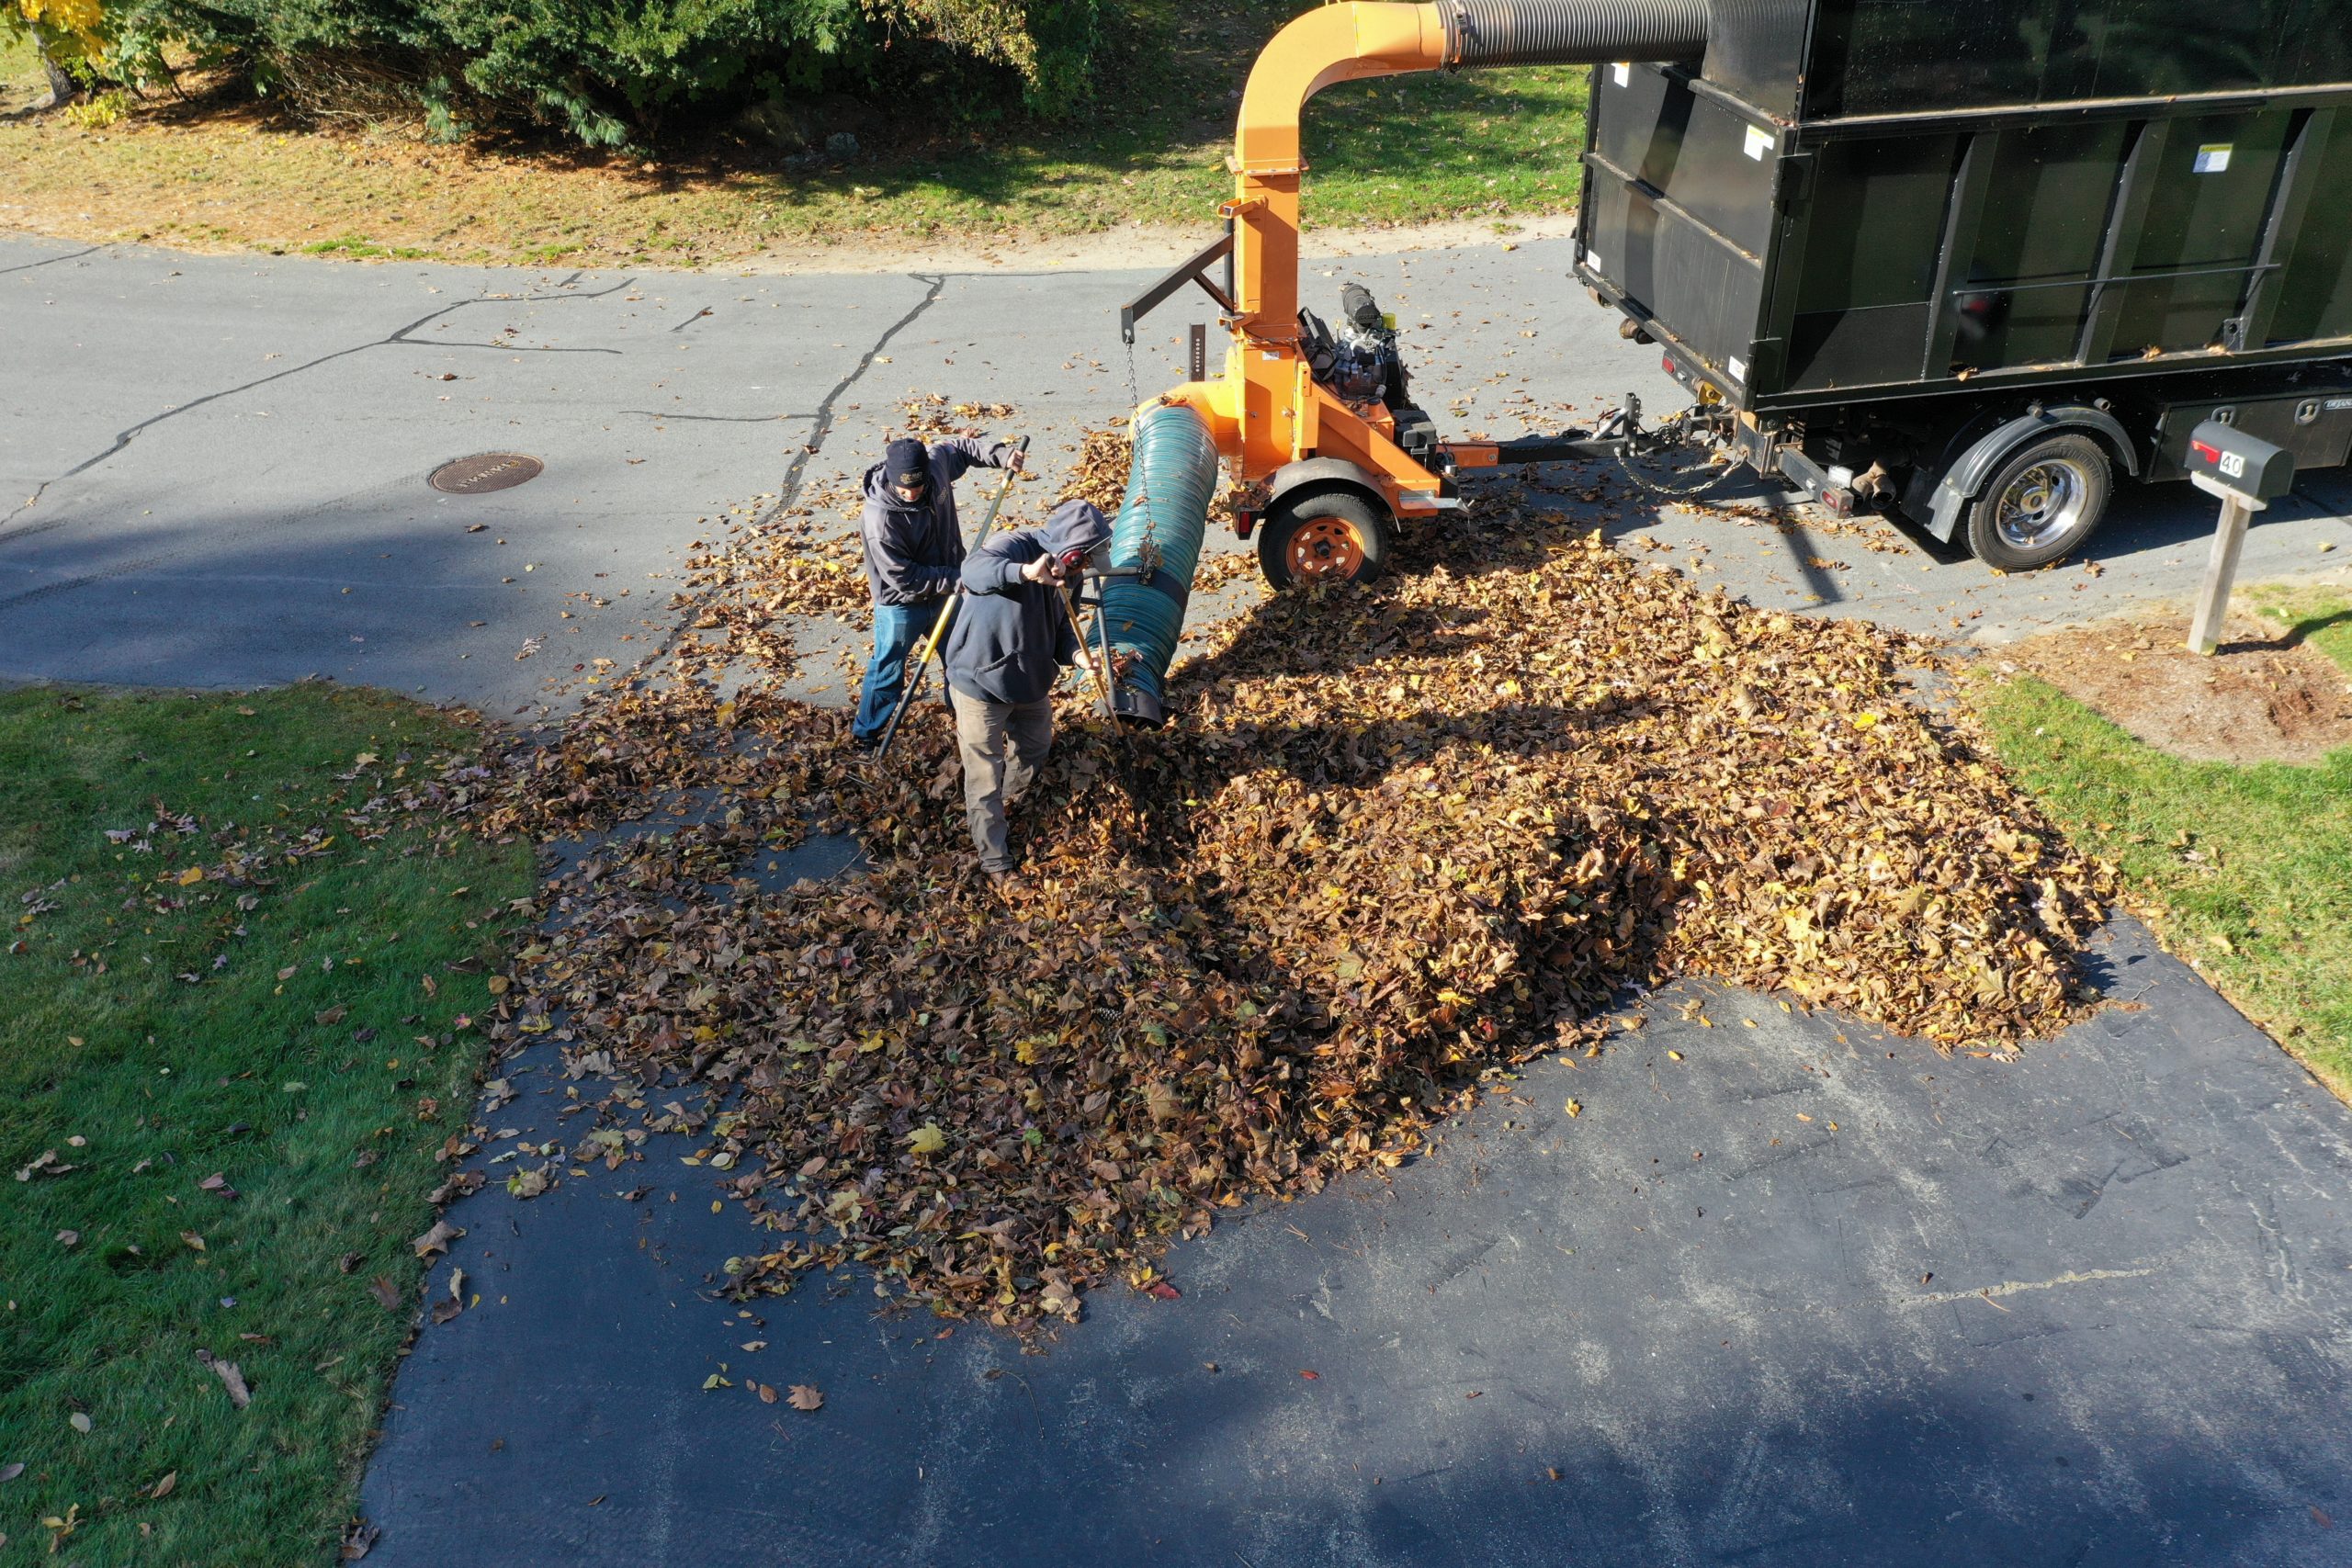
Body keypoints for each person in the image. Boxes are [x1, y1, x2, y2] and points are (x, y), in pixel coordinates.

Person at [941, 498, 1114, 884]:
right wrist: (1024, 573)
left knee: (1035, 748)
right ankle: (995, 861)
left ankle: (1011, 803)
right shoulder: (1013, 548)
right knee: (984, 775)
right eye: (1083, 560)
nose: (1084, 569)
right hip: (980, 685)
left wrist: (1077, 655)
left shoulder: (1070, 576)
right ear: (1069, 550)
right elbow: (973, 572)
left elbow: (1062, 625)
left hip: (1031, 683)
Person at [852, 433, 1025, 748]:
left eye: (917, 486)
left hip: (949, 589)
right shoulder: (880, 520)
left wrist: (1000, 455)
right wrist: (961, 578)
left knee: (960, 656)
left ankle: (961, 714)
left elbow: (960, 446)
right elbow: (904, 578)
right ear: (891, 479)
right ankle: (867, 732)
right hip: (901, 602)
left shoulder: (935, 468)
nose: (912, 493)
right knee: (888, 666)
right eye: (904, 488)